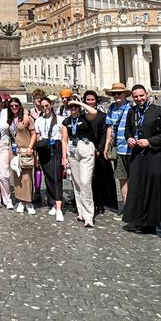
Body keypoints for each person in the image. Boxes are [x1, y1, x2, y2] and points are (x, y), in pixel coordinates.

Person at [123, 85, 161, 242]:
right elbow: (127, 130)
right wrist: (129, 138)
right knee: (142, 189)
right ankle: (146, 222)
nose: (139, 99)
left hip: (157, 156)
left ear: (147, 94)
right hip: (139, 156)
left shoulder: (158, 111)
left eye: (141, 96)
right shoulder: (132, 111)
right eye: (136, 96)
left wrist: (149, 141)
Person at [61, 98, 98, 228]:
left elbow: (94, 112)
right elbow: (64, 140)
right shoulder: (66, 121)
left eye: (75, 107)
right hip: (72, 149)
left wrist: (80, 103)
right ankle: (81, 212)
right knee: (76, 183)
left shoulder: (85, 117)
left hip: (86, 147)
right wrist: (64, 157)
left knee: (85, 182)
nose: (73, 109)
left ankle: (89, 215)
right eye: (71, 107)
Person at [83, 90, 118, 214]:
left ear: (96, 100)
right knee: (88, 179)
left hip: (100, 151)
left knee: (103, 177)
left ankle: (106, 202)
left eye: (92, 100)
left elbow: (105, 134)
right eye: (88, 100)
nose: (90, 102)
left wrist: (100, 148)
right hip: (85, 152)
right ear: (84, 101)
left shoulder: (103, 116)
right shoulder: (82, 116)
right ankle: (91, 202)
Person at [34, 96, 64, 222]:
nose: (45, 108)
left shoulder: (60, 119)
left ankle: (58, 208)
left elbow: (64, 138)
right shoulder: (38, 121)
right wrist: (37, 156)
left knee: (56, 177)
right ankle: (52, 202)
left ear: (51, 105)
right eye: (43, 106)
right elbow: (37, 137)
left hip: (55, 148)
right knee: (48, 177)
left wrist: (64, 156)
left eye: (47, 105)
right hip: (43, 149)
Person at [104, 83, 132, 218]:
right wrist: (106, 146)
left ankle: (135, 207)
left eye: (119, 93)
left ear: (125, 94)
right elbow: (110, 129)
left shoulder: (132, 107)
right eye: (114, 94)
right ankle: (127, 207)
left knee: (134, 178)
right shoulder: (111, 108)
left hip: (132, 148)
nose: (116, 96)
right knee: (122, 178)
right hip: (118, 148)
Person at [8, 97, 36, 215]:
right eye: (12, 106)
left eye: (16, 105)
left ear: (20, 106)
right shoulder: (9, 119)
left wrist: (30, 147)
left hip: (26, 150)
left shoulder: (27, 118)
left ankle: (28, 201)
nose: (14, 107)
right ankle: (20, 200)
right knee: (17, 177)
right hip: (14, 151)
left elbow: (33, 133)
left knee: (27, 177)